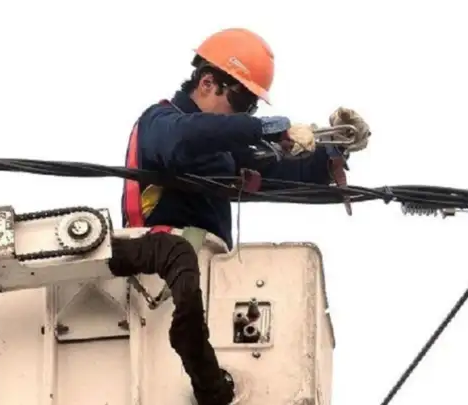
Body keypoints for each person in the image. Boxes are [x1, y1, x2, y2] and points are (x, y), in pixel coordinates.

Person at [108, 27, 371, 405]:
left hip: (201, 286)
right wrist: (264, 127)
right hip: (156, 281)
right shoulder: (160, 122)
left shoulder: (221, 152)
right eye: (242, 99)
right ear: (207, 82)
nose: (244, 112)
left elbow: (279, 173)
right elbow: (185, 140)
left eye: (251, 107)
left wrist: (331, 150)